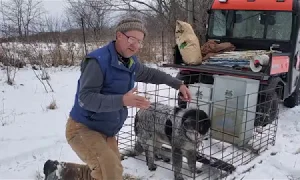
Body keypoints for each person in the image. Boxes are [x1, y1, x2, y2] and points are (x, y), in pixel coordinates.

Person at [43, 17, 192, 180]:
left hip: (106, 132)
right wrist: (122, 100)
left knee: (109, 171)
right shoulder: (98, 62)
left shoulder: (130, 62)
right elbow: (85, 98)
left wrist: (178, 84)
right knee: (109, 172)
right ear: (119, 35)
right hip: (82, 128)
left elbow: (150, 74)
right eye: (131, 39)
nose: (135, 45)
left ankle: (59, 171)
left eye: (139, 41)